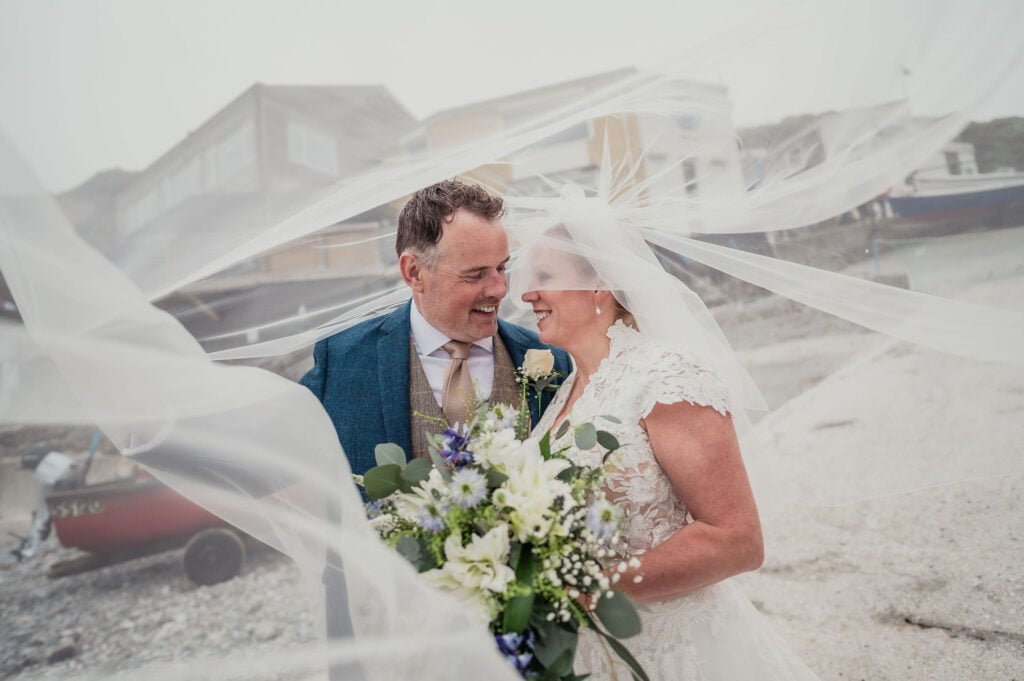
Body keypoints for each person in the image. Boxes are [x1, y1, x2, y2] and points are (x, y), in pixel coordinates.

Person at [517, 216, 818, 680]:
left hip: (679, 651)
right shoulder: (567, 388)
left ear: (600, 284)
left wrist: (589, 591)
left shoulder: (665, 376)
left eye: (544, 277)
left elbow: (738, 540)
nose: (526, 294)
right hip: (588, 653)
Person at [299, 179, 571, 475]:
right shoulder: (342, 360)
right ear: (413, 272)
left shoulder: (549, 359)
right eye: (476, 274)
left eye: (501, 267)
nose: (499, 289)